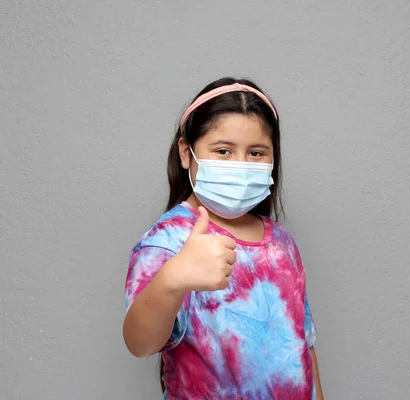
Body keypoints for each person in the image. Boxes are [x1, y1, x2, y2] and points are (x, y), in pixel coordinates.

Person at [122, 77, 324, 399]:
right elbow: (140, 343)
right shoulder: (169, 240)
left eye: (256, 153)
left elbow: (304, 347)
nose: (241, 166)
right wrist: (173, 277)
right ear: (186, 153)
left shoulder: (281, 243)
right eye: (223, 150)